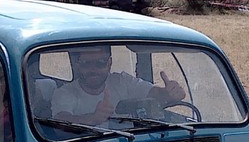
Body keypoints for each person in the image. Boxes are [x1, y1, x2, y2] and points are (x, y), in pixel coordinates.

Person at [50, 44, 185, 125]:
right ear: (78, 65)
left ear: (109, 63)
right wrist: (93, 118)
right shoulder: (65, 92)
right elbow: (60, 124)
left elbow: (153, 93)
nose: (93, 69)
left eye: (100, 63)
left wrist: (169, 93)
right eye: (86, 63)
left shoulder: (122, 81)